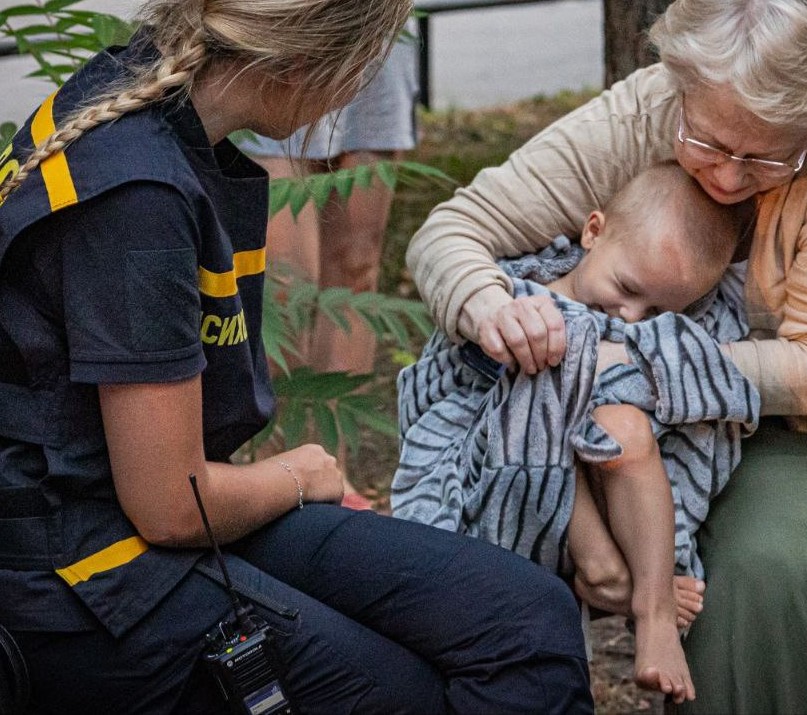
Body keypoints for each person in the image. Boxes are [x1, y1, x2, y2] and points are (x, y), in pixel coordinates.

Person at [404, 0, 807, 712]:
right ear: (680, 86)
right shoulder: (647, 109)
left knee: (741, 574)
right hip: (717, 433)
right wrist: (494, 309)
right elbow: (453, 232)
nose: (727, 178)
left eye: (765, 156)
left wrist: (640, 364)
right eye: (708, 143)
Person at [0, 1, 594, 713]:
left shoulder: (133, 98)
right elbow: (168, 505)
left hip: (131, 520)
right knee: (410, 691)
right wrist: (298, 472)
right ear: (309, 64)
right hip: (89, 579)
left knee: (528, 617)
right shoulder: (138, 196)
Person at [392, 162, 759, 704]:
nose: (632, 317)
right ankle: (609, 573)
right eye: (627, 287)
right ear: (593, 231)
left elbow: (696, 388)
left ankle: (650, 611)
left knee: (623, 424)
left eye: (658, 310)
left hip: (609, 488)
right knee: (547, 370)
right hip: (496, 483)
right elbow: (459, 396)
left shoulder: (638, 326)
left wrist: (616, 370)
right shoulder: (517, 292)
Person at [240, 24, 420, 375]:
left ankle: (333, 426)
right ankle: (283, 426)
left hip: (377, 26)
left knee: (357, 267)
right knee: (283, 289)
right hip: (281, 24)